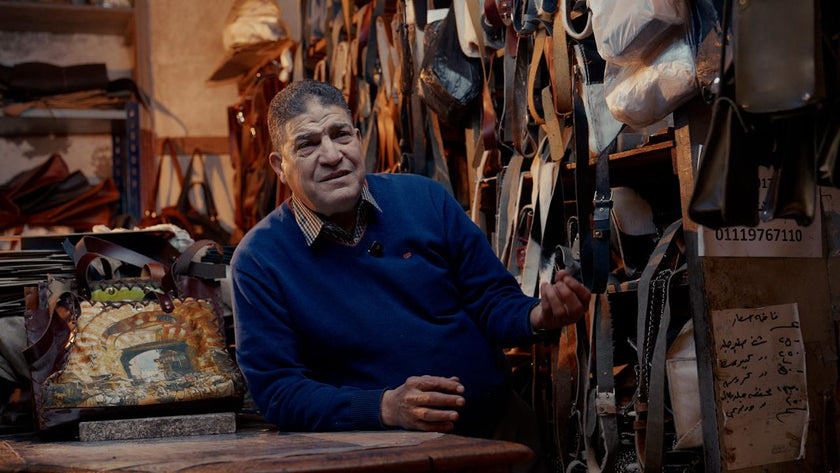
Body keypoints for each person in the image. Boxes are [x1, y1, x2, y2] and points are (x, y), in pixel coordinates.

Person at [230, 80, 590, 463]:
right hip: (378, 458)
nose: (332, 155)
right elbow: (279, 392)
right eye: (307, 145)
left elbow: (490, 298)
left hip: (498, 432)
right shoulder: (259, 261)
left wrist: (537, 315)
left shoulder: (424, 199)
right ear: (279, 167)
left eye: (341, 134)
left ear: (358, 138)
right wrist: (384, 408)